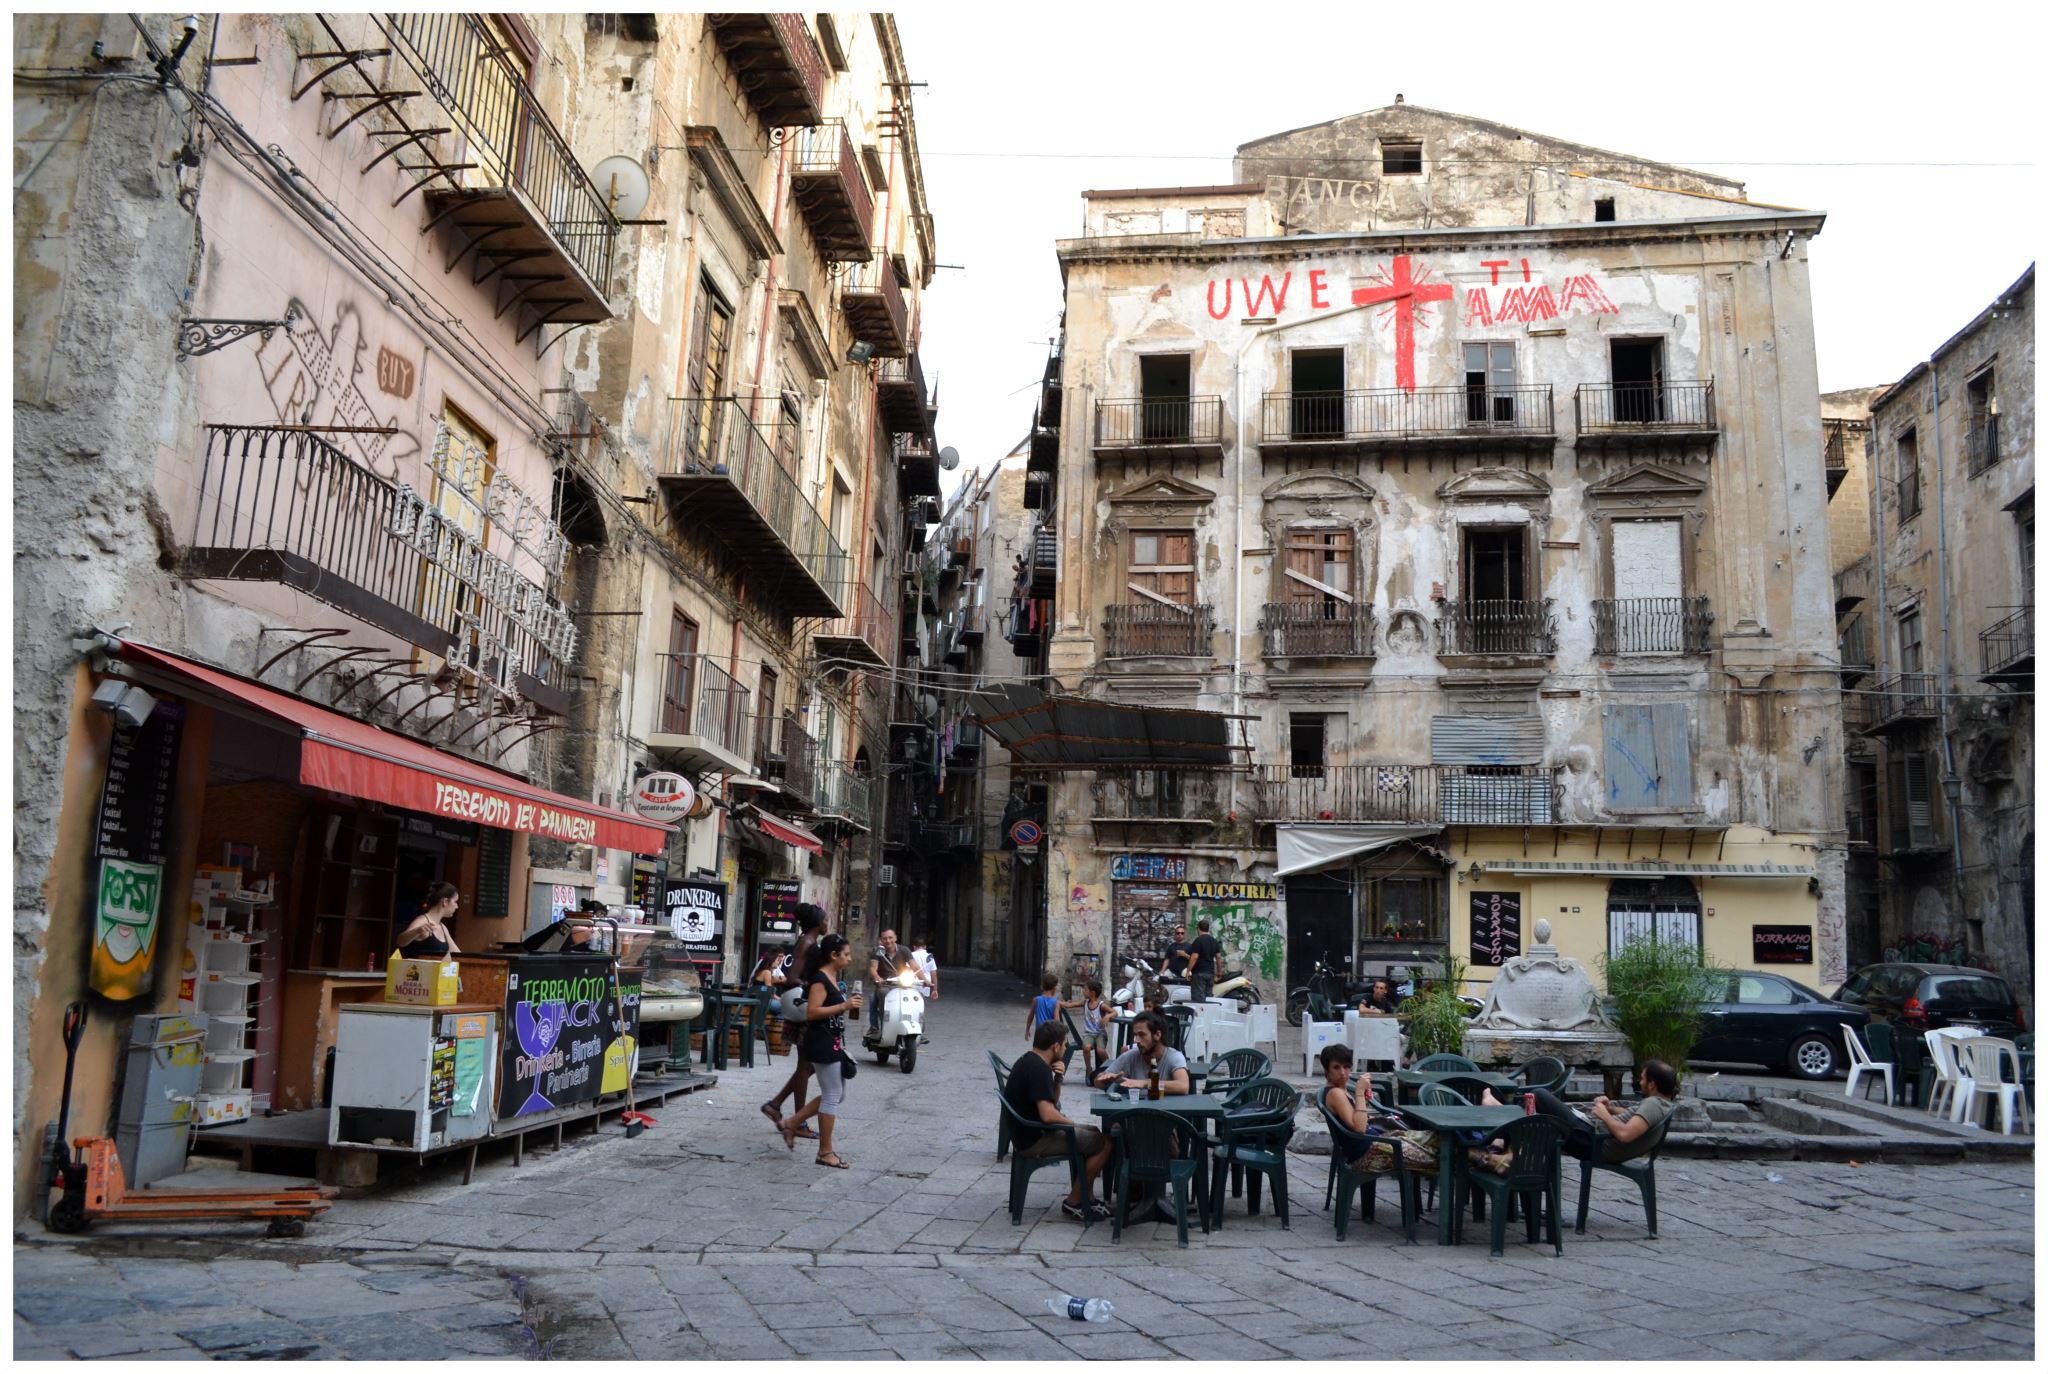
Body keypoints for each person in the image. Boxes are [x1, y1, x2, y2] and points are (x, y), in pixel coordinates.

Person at [1006, 1022, 1113, 1221]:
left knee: (1092, 1131)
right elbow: (1048, 1114)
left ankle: (1086, 1197)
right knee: (1105, 1142)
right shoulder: (1038, 1069)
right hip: (1034, 1139)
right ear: (1056, 1046)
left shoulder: (1031, 1061)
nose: (1065, 1049)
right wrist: (1070, 1124)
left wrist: (1058, 1078)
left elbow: (1052, 1101)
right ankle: (1074, 1201)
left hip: (1026, 1133)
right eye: (1064, 1045)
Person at [1485, 1060, 1679, 1164]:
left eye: (1643, 1079)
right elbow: (1636, 1116)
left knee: (1540, 1095)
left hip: (1591, 1141)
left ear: (1653, 1085)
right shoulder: (1661, 1104)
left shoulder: (1653, 1104)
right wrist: (1611, 1108)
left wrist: (1603, 1114)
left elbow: (1625, 1134)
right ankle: (1503, 1134)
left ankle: (1500, 1117)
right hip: (1590, 1135)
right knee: (1540, 1119)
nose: (1640, 1082)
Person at [779, 934, 862, 1168]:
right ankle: (825, 1152)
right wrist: (844, 1005)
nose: (849, 958)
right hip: (820, 1041)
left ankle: (792, 1123)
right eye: (846, 954)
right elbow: (812, 1013)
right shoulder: (819, 979)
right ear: (833, 955)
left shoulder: (831, 977)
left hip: (832, 1040)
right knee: (833, 1096)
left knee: (838, 1094)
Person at [1318, 1044, 1438, 1175]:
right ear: (1327, 1070)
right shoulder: (1335, 1093)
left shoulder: (1340, 1089)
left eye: (1346, 1067)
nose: (1342, 1072)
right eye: (1336, 1067)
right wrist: (1359, 1092)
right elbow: (1360, 1128)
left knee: (1434, 1138)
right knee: (1438, 1158)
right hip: (1368, 1152)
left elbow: (1359, 1121)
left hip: (1375, 1142)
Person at [761, 903, 829, 1135]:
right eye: (826, 919)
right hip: (803, 1007)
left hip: (806, 1005)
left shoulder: (809, 942)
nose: (828, 922)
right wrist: (811, 986)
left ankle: (776, 1105)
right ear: (818, 923)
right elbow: (792, 978)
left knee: (808, 1066)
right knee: (806, 1065)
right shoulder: (806, 944)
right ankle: (797, 1121)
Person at [1092, 1010, 1190, 1095]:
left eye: (1142, 1035)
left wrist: (1145, 1083)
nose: (1136, 1040)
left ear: (1157, 1035)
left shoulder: (1174, 1057)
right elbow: (1098, 1083)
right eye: (1135, 1035)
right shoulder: (1131, 1056)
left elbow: (1183, 1086)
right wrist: (1104, 1079)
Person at [397, 883, 462, 959]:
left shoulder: (443, 927)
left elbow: (458, 954)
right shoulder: (422, 921)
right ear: (445, 902)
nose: (457, 906)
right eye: (455, 901)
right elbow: (400, 941)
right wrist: (417, 931)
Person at [866, 929, 905, 1038]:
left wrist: (926, 981)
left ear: (895, 938)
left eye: (890, 937)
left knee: (917, 995)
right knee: (881, 994)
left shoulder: (904, 950)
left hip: (902, 984)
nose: (888, 941)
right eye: (885, 938)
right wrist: (878, 978)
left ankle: (918, 1024)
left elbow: (915, 966)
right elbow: (873, 968)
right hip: (885, 985)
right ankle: (882, 1024)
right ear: (881, 940)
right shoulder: (878, 951)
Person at [1072, 980, 1110, 1081]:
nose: (1083, 992)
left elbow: (1114, 1012)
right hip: (1089, 1034)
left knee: (1100, 1050)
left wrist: (1108, 1016)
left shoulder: (1101, 1005)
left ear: (1092, 993)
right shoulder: (1085, 1003)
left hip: (1100, 1034)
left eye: (1085, 989)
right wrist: (1060, 1003)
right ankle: (1089, 1069)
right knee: (1086, 1047)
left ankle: (1108, 1068)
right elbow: (1072, 1005)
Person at [907, 935, 937, 1046]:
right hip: (925, 988)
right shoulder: (929, 956)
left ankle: (911, 1031)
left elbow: (906, 969)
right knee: (920, 1011)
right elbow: (934, 974)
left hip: (912, 987)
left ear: (914, 946)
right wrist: (935, 989)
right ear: (925, 946)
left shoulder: (910, 956)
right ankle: (919, 1033)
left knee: (910, 1009)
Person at [1186, 919, 1222, 1003]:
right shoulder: (1214, 941)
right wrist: (1219, 972)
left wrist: (1188, 970)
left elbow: (1194, 957)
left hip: (1199, 973)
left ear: (1198, 928)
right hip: (1210, 973)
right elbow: (1218, 958)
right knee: (1209, 999)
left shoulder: (1198, 941)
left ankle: (1200, 1015)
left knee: (1198, 1000)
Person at [1027, 973, 1061, 1040]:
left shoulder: (1036, 1000)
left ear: (1042, 986)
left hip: (1039, 1033)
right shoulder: (1056, 1002)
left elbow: (1030, 1016)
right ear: (1054, 988)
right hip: (1051, 1034)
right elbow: (1057, 1021)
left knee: (1037, 1050)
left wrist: (1027, 1030)